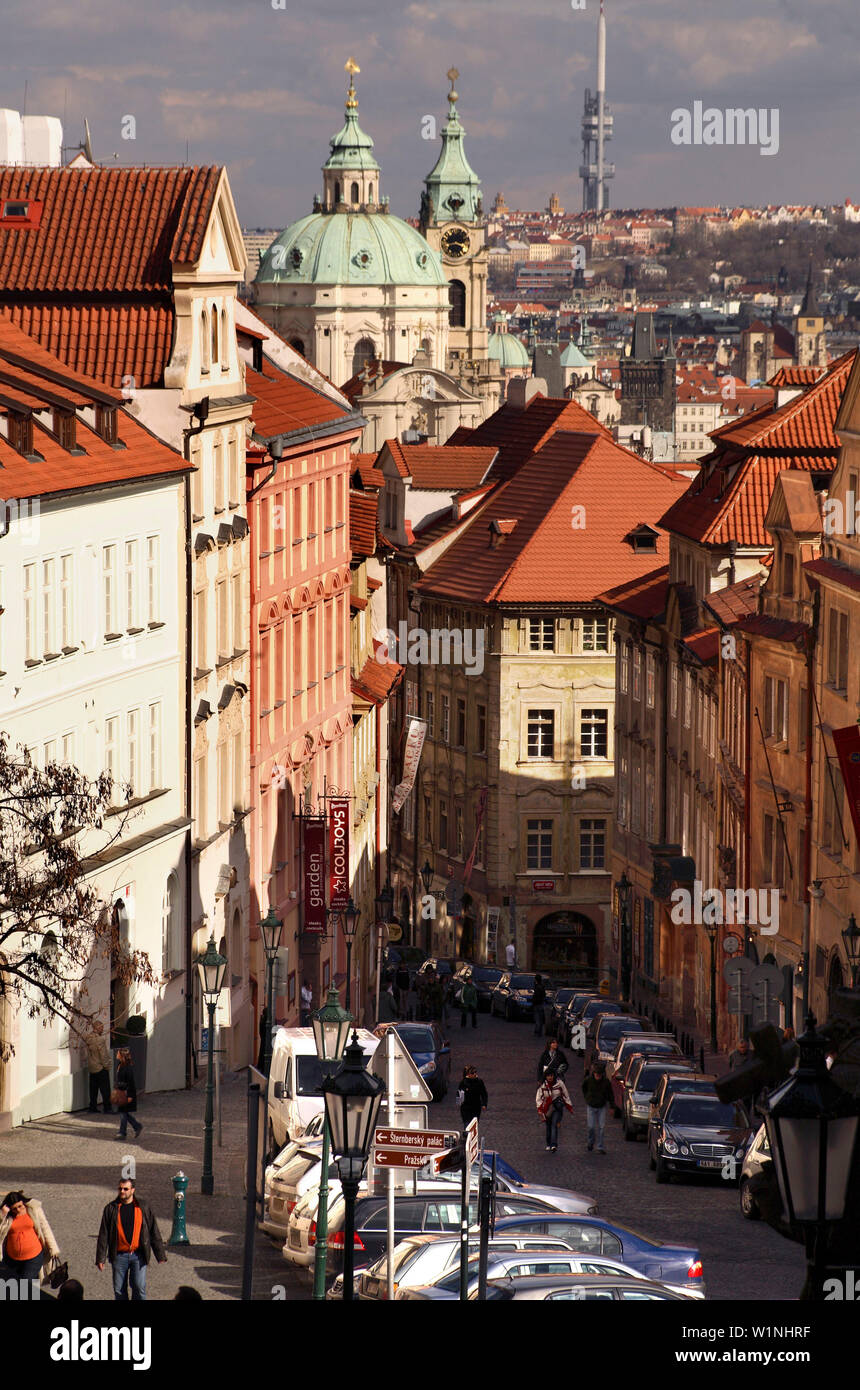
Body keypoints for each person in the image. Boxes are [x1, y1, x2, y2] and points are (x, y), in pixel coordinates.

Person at [96, 1178, 167, 1301]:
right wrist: (100, 1258)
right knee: (119, 1290)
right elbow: (104, 1235)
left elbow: (153, 1230)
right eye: (120, 1188)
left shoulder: (143, 1207)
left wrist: (160, 1254)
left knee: (139, 1287)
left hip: (138, 1254)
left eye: (125, 1189)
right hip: (119, 1255)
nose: (122, 1191)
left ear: (132, 1190)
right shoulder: (111, 1209)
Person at [0, 1190, 61, 1285]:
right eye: (14, 1209)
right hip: (12, 1259)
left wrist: (53, 1248)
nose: (18, 1210)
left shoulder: (33, 1209)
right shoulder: (6, 1216)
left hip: (33, 1256)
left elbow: (45, 1228)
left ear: (23, 1202)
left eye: (20, 1206)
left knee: (26, 1286)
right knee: (11, 1287)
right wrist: (1, 1215)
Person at [536, 1069, 574, 1152]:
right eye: (548, 1076)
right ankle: (548, 1143)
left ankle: (554, 1144)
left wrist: (569, 1106)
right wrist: (540, 1109)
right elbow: (538, 1098)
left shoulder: (560, 1084)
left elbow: (565, 1094)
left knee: (554, 1124)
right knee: (548, 1126)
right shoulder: (542, 1086)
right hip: (547, 1108)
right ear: (546, 1076)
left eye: (551, 1075)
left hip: (557, 1108)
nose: (550, 1077)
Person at [581, 1061, 613, 1153]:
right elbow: (584, 1088)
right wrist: (587, 1098)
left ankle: (600, 1146)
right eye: (596, 1074)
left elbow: (610, 1094)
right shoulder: (588, 1080)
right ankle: (590, 1142)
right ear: (594, 1073)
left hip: (601, 1106)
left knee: (601, 1127)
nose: (598, 1076)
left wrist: (612, 1106)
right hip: (591, 1105)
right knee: (591, 1127)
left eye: (599, 1074)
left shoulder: (606, 1082)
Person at [84, 1019, 113, 1115]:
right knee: (105, 1089)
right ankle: (107, 1108)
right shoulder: (100, 1040)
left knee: (93, 1089)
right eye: (101, 1028)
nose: (103, 1030)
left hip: (92, 1067)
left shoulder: (88, 1038)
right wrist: (107, 1066)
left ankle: (92, 1107)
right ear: (98, 1028)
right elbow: (103, 1055)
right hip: (100, 1067)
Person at [114, 1047, 142, 1141]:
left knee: (123, 1112)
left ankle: (122, 1132)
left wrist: (130, 1096)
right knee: (123, 1112)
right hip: (121, 1092)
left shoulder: (127, 1067)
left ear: (121, 1055)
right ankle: (136, 1126)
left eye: (118, 1053)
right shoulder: (120, 1065)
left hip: (126, 1093)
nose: (116, 1054)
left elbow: (131, 1082)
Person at [459, 1064, 488, 1132]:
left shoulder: (479, 1082)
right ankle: (467, 1137)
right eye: (472, 1073)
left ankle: (473, 1138)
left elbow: (484, 1093)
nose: (474, 1074)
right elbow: (459, 1094)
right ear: (468, 1074)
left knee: (474, 1124)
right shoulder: (463, 1083)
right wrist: (460, 1102)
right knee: (467, 1124)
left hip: (476, 1107)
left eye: (475, 1072)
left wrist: (484, 1104)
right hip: (466, 1108)